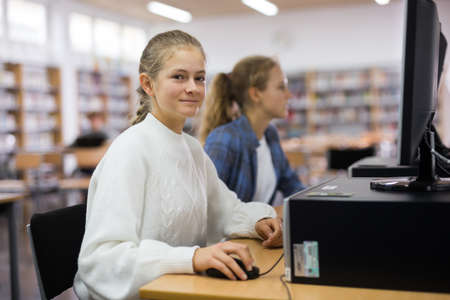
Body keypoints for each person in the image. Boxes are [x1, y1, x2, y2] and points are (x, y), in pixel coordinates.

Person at [74, 30, 282, 300]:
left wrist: (259, 222)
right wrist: (192, 258)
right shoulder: (130, 151)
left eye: (199, 78)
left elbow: (225, 209)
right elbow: (102, 261)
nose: (193, 88)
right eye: (179, 77)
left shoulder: (191, 148)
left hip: (179, 290)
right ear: (148, 84)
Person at [200, 56, 305, 209]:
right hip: (235, 233)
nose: (289, 95)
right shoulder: (224, 139)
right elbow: (209, 208)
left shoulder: (270, 134)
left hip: (261, 233)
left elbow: (292, 185)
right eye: (281, 87)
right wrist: (270, 214)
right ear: (256, 94)